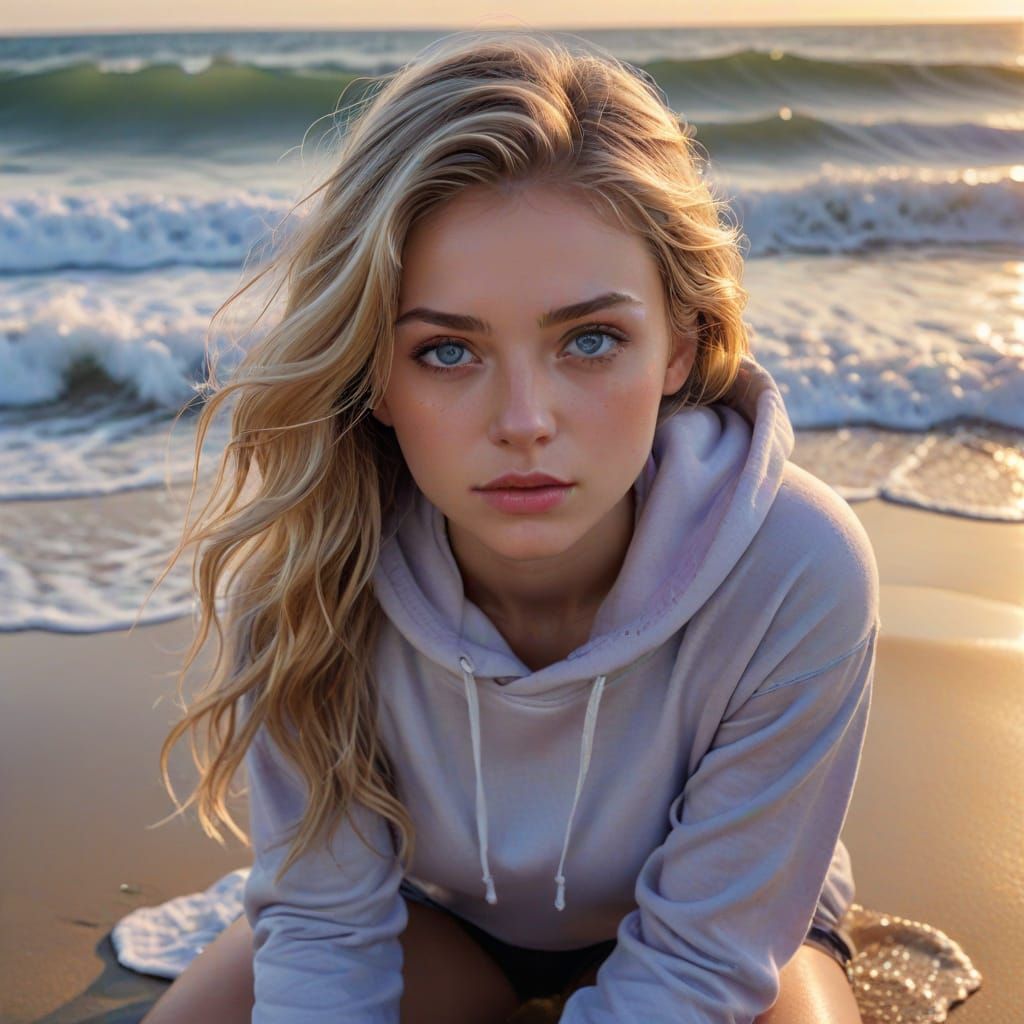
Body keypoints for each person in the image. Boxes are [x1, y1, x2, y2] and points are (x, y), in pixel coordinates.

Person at [142, 28, 877, 1024]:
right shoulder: (314, 565)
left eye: (589, 339)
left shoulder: (794, 564)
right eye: (447, 351)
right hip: (440, 921)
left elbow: (704, 966)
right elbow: (327, 942)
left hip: (727, 930)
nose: (525, 419)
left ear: (679, 345)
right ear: (378, 376)